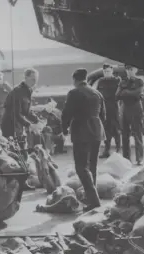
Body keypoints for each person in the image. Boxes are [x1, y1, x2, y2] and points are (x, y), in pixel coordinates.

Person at [62, 68, 104, 211]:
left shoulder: (74, 93)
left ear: (75, 80)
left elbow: (66, 113)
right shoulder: (97, 93)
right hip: (97, 131)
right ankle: (90, 196)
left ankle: (93, 200)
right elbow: (103, 114)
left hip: (82, 131)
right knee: (92, 166)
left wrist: (63, 129)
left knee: (81, 167)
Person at [1, 68, 40, 149]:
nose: (35, 82)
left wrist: (37, 120)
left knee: (22, 148)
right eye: (33, 79)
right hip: (10, 125)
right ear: (26, 78)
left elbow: (26, 111)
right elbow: (17, 113)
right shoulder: (17, 91)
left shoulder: (28, 90)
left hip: (18, 124)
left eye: (36, 79)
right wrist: (29, 124)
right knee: (13, 150)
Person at [117, 64, 144, 165]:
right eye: (128, 69)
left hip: (136, 109)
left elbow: (138, 93)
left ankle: (139, 159)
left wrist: (125, 92)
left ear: (136, 70)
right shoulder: (122, 82)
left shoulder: (139, 81)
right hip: (124, 110)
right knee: (124, 135)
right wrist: (131, 93)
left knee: (138, 134)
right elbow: (117, 95)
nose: (129, 71)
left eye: (131, 69)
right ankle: (126, 159)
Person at [96, 63, 122, 158]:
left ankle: (118, 149)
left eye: (108, 71)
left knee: (116, 130)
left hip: (114, 108)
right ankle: (106, 151)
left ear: (112, 71)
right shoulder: (101, 81)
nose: (107, 73)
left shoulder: (117, 80)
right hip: (104, 108)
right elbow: (98, 94)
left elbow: (120, 94)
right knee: (106, 131)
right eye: (105, 71)